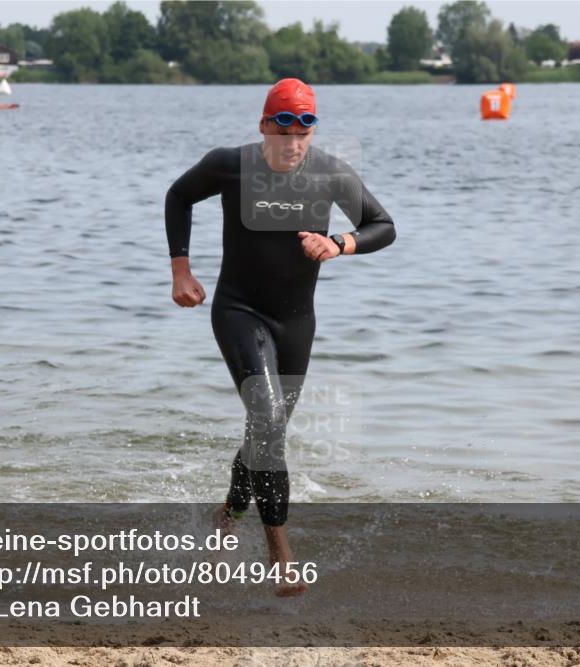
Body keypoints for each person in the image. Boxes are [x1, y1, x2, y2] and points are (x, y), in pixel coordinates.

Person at [164, 78, 396, 597]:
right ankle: (280, 556)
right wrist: (181, 270)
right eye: (283, 131)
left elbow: (383, 225)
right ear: (265, 125)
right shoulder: (230, 165)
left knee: (265, 432)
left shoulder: (330, 173)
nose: (292, 145)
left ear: (312, 132)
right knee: (267, 419)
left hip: (296, 322)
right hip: (238, 311)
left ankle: (228, 515)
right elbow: (179, 195)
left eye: (303, 134)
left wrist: (340, 243)